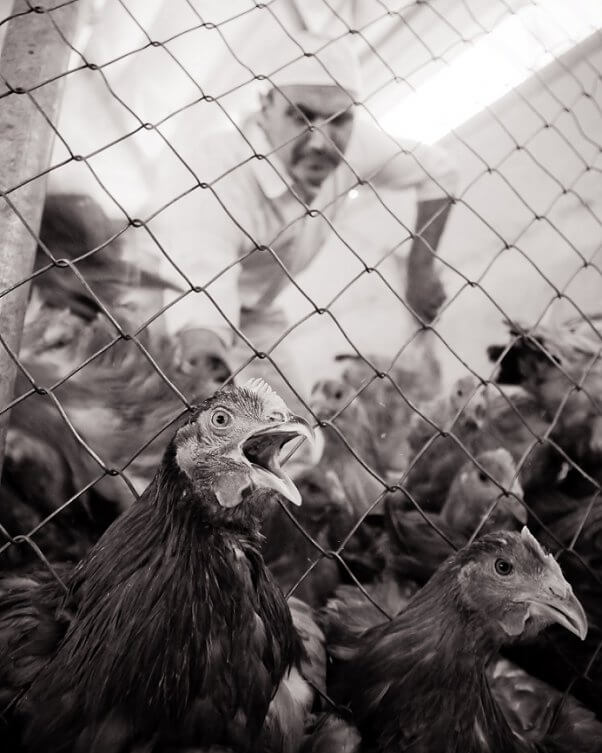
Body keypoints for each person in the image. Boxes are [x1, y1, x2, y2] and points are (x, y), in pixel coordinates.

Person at [143, 31, 458, 417]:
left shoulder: (357, 143)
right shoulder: (214, 176)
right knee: (169, 434)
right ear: (265, 107)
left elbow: (439, 171)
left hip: (257, 311)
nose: (320, 142)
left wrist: (420, 268)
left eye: (339, 119)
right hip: (163, 302)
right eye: (301, 116)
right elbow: (199, 311)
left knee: (296, 442)